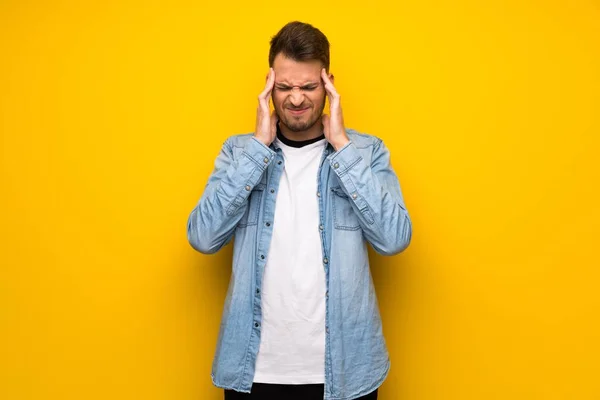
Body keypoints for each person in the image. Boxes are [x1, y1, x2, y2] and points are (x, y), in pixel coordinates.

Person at [187, 21, 412, 400]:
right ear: (268, 83)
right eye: (284, 87)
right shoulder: (239, 152)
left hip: (345, 370)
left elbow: (394, 240)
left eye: (308, 87)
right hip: (252, 369)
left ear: (328, 83)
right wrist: (259, 148)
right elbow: (203, 238)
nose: (295, 99)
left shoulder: (366, 152)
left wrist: (342, 145)